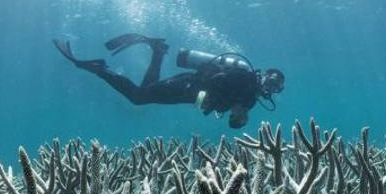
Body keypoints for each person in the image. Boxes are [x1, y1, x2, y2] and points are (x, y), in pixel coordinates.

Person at [53, 33, 284, 129]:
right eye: (271, 81)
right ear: (264, 75)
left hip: (188, 95)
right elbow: (217, 78)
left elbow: (233, 123)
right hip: (187, 86)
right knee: (138, 97)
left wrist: (238, 116)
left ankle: (158, 50)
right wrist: (223, 97)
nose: (270, 88)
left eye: (275, 87)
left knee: (143, 93)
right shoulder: (244, 77)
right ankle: (100, 68)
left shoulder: (250, 100)